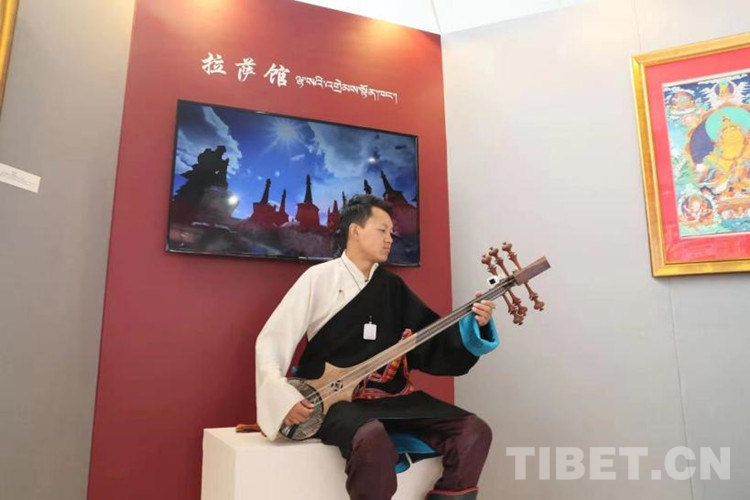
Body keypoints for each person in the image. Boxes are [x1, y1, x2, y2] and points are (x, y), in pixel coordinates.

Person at [255, 194, 499, 500]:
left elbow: (430, 341)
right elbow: (273, 338)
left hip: (392, 396)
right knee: (371, 438)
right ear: (355, 231)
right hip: (335, 400)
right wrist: (282, 395)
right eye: (382, 230)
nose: (389, 239)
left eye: (391, 233)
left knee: (473, 430)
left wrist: (473, 325)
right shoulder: (319, 278)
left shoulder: (392, 287)